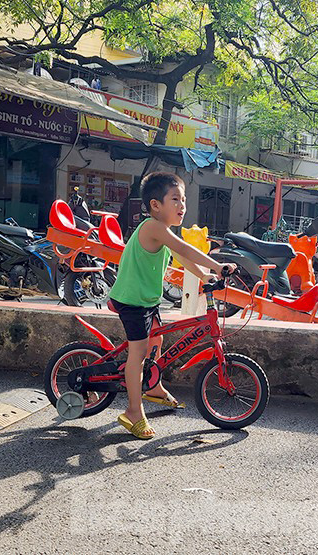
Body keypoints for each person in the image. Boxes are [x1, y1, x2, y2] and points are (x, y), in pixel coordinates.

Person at [107, 172, 236, 439]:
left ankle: (153, 386)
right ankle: (133, 411)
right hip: (132, 302)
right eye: (175, 199)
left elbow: (181, 257)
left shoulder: (162, 233)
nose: (182, 206)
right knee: (138, 354)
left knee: (157, 342)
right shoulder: (153, 227)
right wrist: (217, 265)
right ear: (156, 205)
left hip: (147, 301)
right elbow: (187, 250)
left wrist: (204, 276)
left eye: (184, 199)